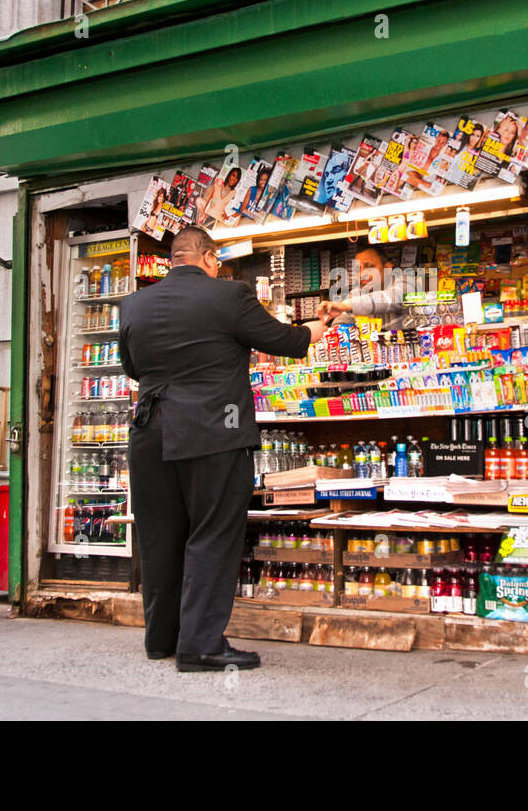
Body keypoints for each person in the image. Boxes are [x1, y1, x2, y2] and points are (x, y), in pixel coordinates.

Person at [118, 226, 326, 671]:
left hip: (150, 433)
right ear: (210, 258)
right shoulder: (230, 296)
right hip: (213, 432)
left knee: (159, 537)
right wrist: (312, 330)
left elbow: (133, 369)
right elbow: (284, 343)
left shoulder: (134, 304)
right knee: (212, 534)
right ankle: (202, 646)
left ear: (174, 259)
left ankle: (162, 640)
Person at [318, 245, 416, 329]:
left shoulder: (406, 283)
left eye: (369, 267)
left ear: (387, 268)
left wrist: (347, 305)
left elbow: (392, 298)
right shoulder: (357, 294)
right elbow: (341, 323)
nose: (361, 275)